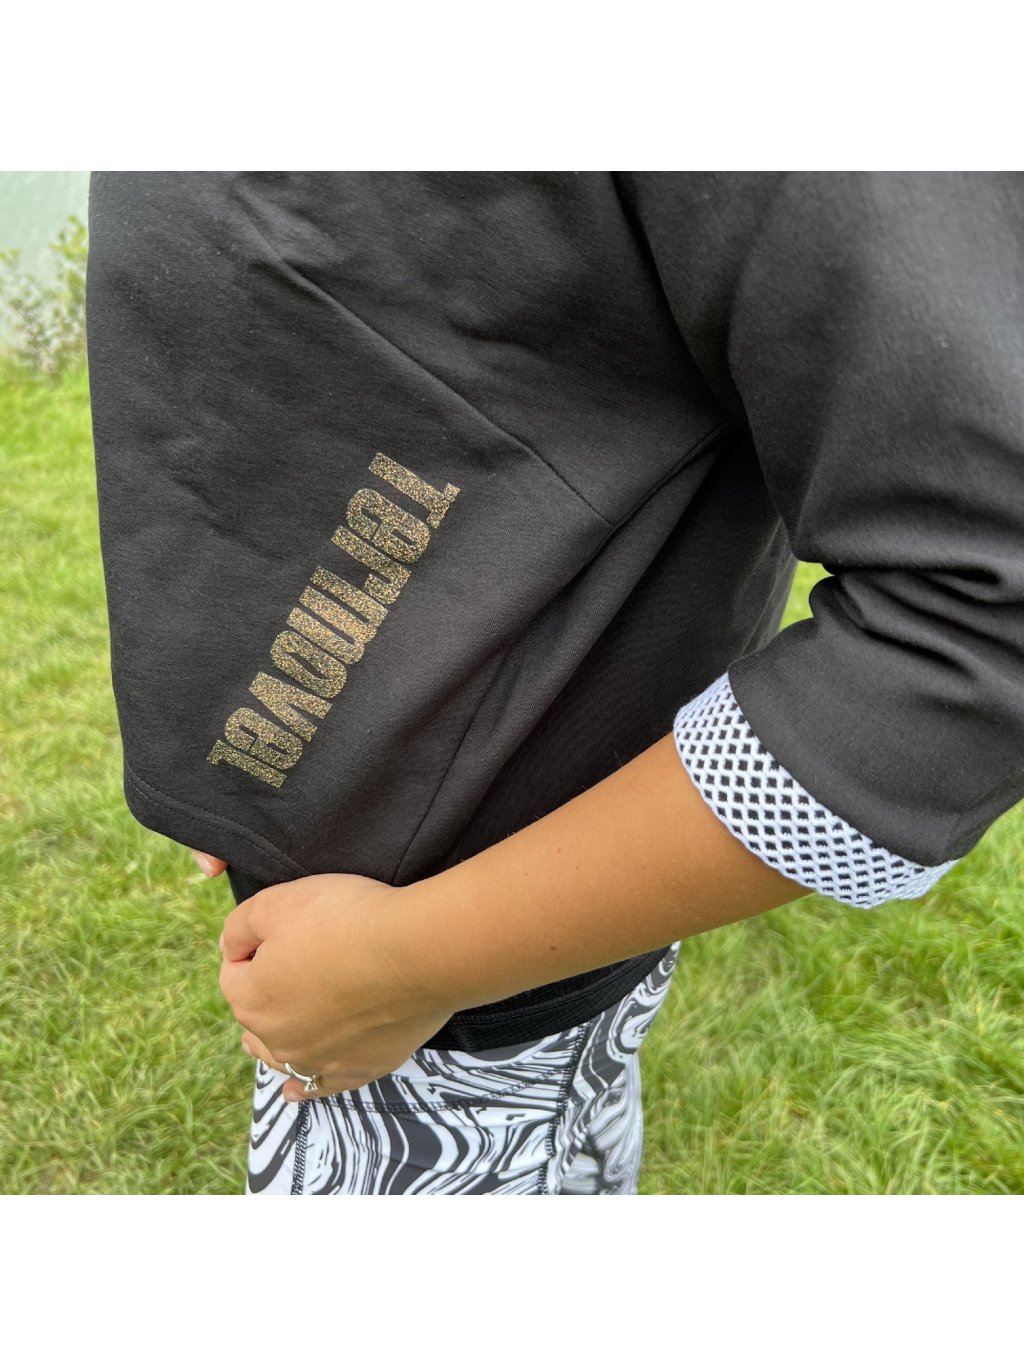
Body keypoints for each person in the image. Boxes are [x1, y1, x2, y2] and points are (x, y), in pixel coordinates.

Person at [87, 172, 1024, 1195]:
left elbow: (978, 629)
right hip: (371, 884)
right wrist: (219, 705)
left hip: (434, 964)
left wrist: (408, 962)